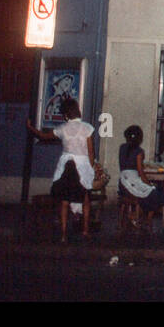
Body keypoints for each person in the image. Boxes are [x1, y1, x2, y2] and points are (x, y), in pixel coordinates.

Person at [27, 98, 98, 244]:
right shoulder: (87, 128)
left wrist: (30, 128)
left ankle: (64, 234)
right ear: (77, 110)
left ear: (65, 115)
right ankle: (85, 231)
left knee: (64, 201)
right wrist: (90, 169)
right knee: (85, 201)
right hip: (82, 166)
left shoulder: (62, 128)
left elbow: (43, 136)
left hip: (66, 166)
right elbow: (91, 152)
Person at [118, 125, 164, 222]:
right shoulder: (139, 152)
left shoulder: (122, 148)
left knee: (149, 194)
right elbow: (140, 172)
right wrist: (150, 184)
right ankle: (142, 218)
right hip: (133, 181)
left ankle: (136, 215)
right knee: (157, 194)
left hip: (122, 183)